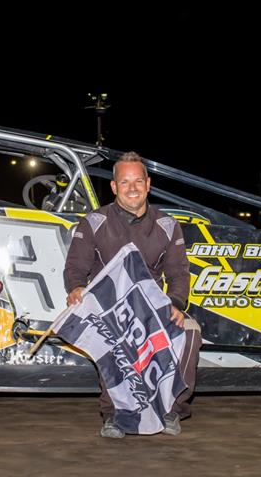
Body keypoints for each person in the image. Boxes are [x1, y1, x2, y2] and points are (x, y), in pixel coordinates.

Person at [63, 151, 201, 438]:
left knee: (189, 330)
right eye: (125, 182)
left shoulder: (167, 224)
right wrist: (76, 287)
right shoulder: (94, 221)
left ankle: (171, 409)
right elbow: (75, 266)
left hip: (152, 307)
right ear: (114, 187)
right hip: (110, 307)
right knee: (108, 335)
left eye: (138, 181)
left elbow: (178, 272)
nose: (133, 188)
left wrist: (175, 303)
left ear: (148, 184)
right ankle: (114, 414)